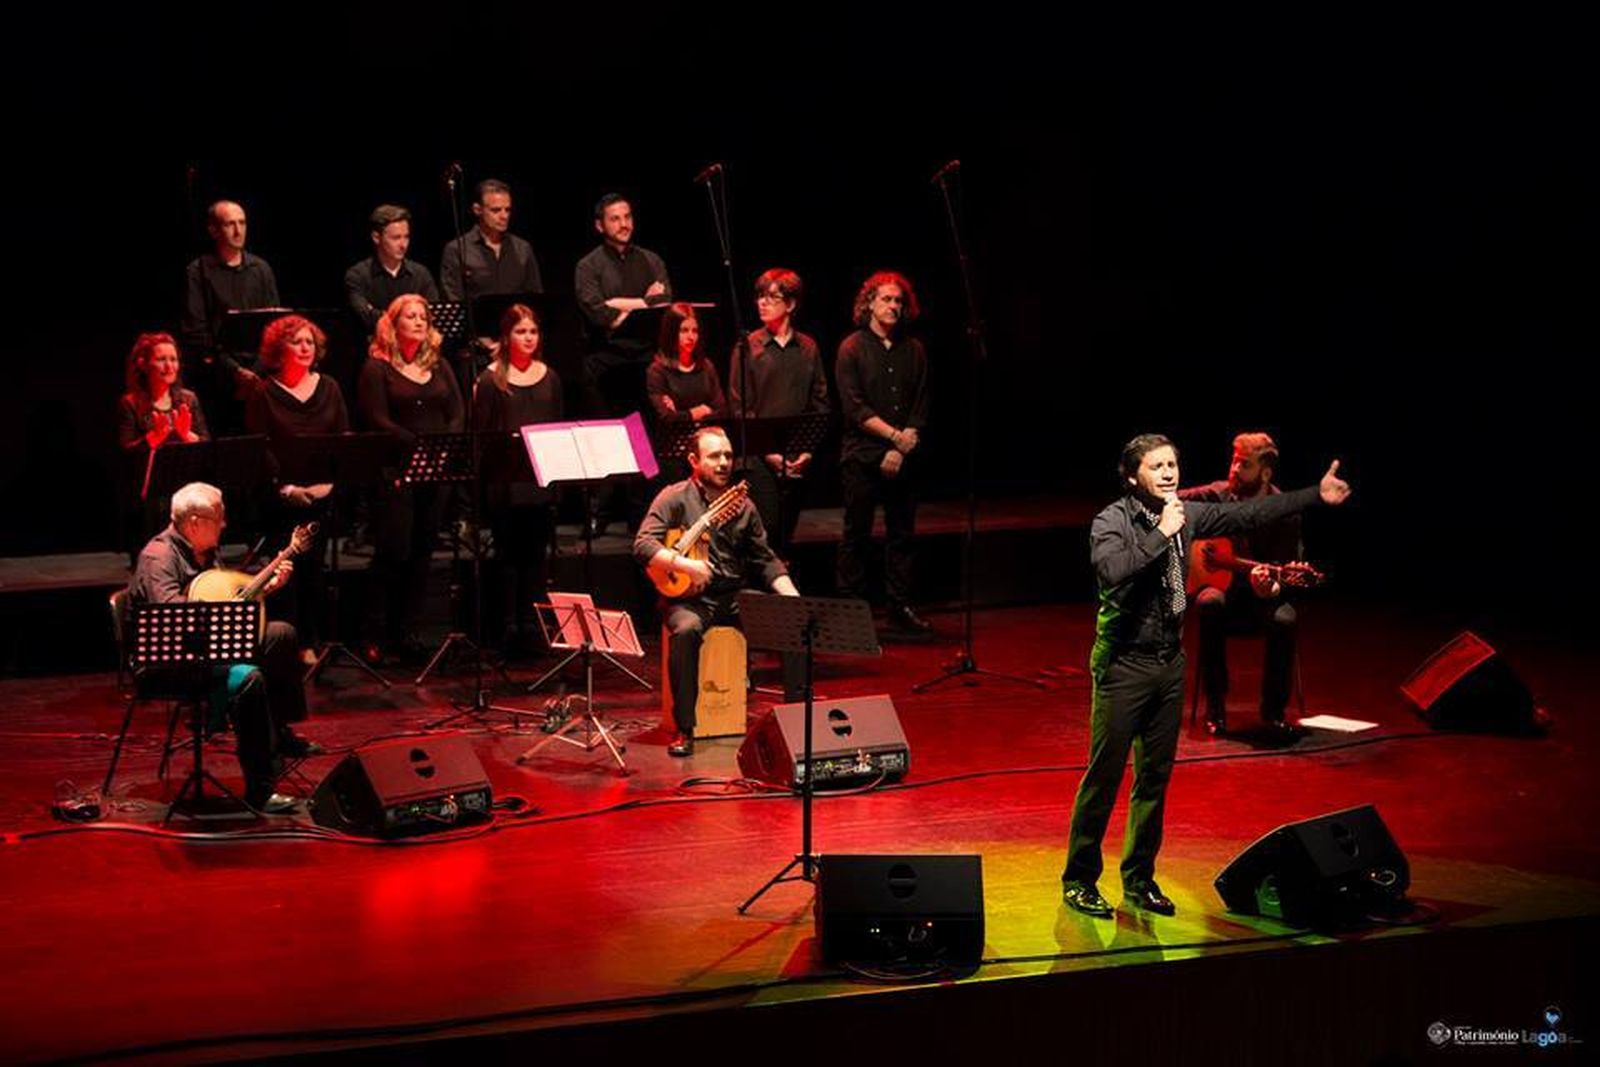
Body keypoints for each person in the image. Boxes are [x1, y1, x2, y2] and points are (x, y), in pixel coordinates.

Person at [1060, 434, 1351, 919]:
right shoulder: (1112, 521)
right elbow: (1112, 572)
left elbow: (1249, 515)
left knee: (1154, 779)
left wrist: (1312, 496)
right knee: (1104, 777)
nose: (1170, 473)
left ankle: (1139, 879)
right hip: (1123, 665)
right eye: (1157, 466)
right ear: (1134, 476)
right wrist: (1159, 533)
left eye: (1173, 464)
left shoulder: (1189, 515)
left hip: (1168, 663)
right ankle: (1079, 880)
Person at [126, 481, 320, 813]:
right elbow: (172, 616)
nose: (225, 524)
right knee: (248, 677)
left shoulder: (205, 551)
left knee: (281, 634)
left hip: (208, 648)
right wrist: (223, 613)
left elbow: (223, 600)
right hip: (170, 662)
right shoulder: (158, 557)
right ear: (195, 524)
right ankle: (261, 787)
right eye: (219, 518)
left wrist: (265, 588)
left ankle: (279, 732)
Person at [634, 427, 802, 757]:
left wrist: (792, 597)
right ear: (694, 461)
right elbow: (642, 545)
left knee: (792, 624)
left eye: (727, 455)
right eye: (714, 456)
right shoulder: (674, 497)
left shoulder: (744, 505)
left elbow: (764, 559)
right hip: (692, 599)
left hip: (733, 594)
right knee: (685, 631)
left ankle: (797, 720)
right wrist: (685, 566)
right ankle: (685, 728)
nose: (724, 462)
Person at [356, 295, 465, 662]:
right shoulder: (377, 368)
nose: (419, 322)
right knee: (393, 552)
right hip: (396, 473)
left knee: (422, 553)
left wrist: (442, 450)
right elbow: (378, 420)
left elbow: (457, 413)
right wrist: (418, 446)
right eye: (410, 317)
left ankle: (409, 631)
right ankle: (374, 633)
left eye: (423, 317)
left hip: (435, 472)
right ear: (393, 324)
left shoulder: (439, 364)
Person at [1178, 432, 1304, 735]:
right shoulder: (1217, 496)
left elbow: (1287, 577)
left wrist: (1271, 586)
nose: (1234, 470)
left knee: (1285, 619)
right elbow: (1170, 501)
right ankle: (1216, 707)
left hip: (1263, 599)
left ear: (1265, 473)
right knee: (1208, 602)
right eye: (1234, 462)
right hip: (1223, 593)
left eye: (1244, 464)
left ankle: (1273, 712)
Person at [245, 314, 351, 656]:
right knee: (285, 574)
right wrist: (288, 490)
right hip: (281, 501)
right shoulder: (263, 392)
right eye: (297, 341)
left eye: (310, 342)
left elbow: (342, 440)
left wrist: (328, 484)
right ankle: (284, 644)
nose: (305, 347)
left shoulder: (329, 387)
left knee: (315, 573)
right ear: (279, 349)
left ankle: (310, 642)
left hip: (322, 497)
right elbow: (258, 449)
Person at [834, 271, 931, 633]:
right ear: (870, 303)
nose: (893, 306)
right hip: (862, 454)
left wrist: (904, 444)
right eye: (886, 299)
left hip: (904, 455)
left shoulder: (915, 349)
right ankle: (850, 611)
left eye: (898, 301)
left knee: (902, 533)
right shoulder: (852, 347)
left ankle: (900, 605)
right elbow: (854, 409)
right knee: (856, 532)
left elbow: (921, 402)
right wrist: (894, 438)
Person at [575, 193, 673, 533]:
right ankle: (598, 516)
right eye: (615, 218)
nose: (624, 224)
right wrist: (641, 301)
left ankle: (641, 515)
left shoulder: (650, 260)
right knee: (603, 439)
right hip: (604, 364)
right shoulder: (588, 265)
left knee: (643, 440)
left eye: (628, 216)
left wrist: (623, 304)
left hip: (644, 362)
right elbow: (600, 314)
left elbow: (664, 306)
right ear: (600, 225)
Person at [471, 303, 564, 655]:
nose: (527, 337)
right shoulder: (491, 379)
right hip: (505, 487)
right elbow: (484, 437)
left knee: (536, 558)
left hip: (539, 485)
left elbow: (556, 426)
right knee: (508, 557)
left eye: (533, 331)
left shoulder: (550, 377)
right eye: (520, 331)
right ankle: (508, 625)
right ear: (506, 337)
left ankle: (533, 624)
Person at [727, 268, 829, 555]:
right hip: (759, 458)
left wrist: (807, 451)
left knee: (788, 531)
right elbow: (739, 407)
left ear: (791, 304)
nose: (762, 303)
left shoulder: (808, 347)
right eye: (760, 296)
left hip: (796, 455)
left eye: (772, 297)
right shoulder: (747, 347)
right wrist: (770, 453)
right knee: (765, 528)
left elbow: (819, 403)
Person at [180, 200, 281, 433]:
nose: (238, 230)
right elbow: (196, 331)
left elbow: (275, 325)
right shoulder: (199, 271)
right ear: (214, 230)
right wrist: (235, 371)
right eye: (230, 224)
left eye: (242, 223)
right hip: (219, 377)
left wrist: (255, 371)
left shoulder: (261, 269)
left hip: (260, 375)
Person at [117, 332, 208, 558]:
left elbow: (206, 443)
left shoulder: (188, 399)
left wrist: (187, 435)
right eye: (161, 359)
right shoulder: (131, 403)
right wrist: (154, 438)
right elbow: (125, 451)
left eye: (173, 359)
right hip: (148, 495)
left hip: (185, 488)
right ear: (144, 364)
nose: (169, 365)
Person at [645, 303, 725, 480]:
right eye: (684, 331)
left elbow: (721, 410)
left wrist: (682, 414)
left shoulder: (706, 366)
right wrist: (698, 412)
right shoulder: (658, 371)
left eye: (695, 331)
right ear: (671, 333)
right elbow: (666, 418)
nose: (691, 337)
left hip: (705, 452)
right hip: (673, 458)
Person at [439, 179, 544, 302]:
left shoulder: (523, 248)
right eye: (496, 210)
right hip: (476, 321)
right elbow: (452, 299)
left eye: (507, 210)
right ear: (477, 209)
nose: (504, 216)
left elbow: (535, 296)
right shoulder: (457, 249)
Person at [345, 204, 442, 334]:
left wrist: (377, 314)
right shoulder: (358, 275)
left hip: (415, 351)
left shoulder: (421, 274)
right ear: (376, 237)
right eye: (396, 238)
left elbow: (432, 316)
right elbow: (365, 319)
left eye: (406, 237)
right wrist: (408, 321)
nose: (403, 245)